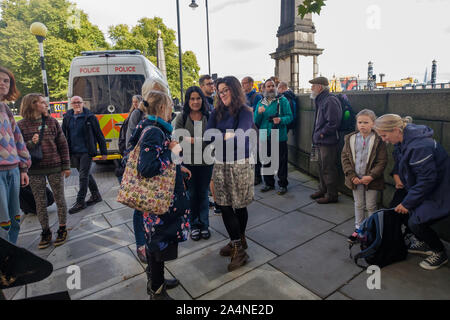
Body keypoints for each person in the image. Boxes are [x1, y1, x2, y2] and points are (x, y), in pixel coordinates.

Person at [128, 90, 191, 300]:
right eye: (171, 106)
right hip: (159, 203)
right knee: (158, 245)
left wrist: (177, 167)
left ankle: (158, 281)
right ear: (163, 108)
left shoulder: (148, 126)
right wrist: (172, 151)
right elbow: (147, 167)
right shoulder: (155, 131)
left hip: (156, 201)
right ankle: (157, 291)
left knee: (156, 243)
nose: (173, 109)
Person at [374, 114, 449, 270]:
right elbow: (404, 163)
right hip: (426, 188)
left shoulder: (419, 146)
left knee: (415, 222)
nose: (383, 140)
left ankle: (439, 252)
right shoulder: (403, 139)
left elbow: (427, 180)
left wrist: (407, 203)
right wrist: (398, 176)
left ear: (396, 130)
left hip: (441, 191)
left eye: (384, 135)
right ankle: (422, 240)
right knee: (400, 212)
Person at [206, 76, 255, 272]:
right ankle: (237, 244)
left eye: (226, 89)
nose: (222, 93)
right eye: (220, 90)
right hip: (220, 162)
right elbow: (210, 134)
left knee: (239, 205)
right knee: (224, 205)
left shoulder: (245, 111)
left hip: (239, 163)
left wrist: (226, 136)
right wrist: (227, 136)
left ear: (234, 90)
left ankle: (239, 242)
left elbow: (242, 134)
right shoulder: (216, 111)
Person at [18, 94, 71, 249]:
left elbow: (63, 145)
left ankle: (62, 228)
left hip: (54, 167)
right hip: (34, 170)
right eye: (42, 102)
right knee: (40, 203)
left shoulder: (52, 122)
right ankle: (45, 231)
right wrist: (30, 143)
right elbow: (18, 149)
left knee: (60, 198)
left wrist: (66, 166)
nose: (46, 104)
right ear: (32, 104)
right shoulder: (21, 125)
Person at [125, 80, 168, 263]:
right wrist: (170, 156)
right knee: (140, 210)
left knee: (149, 213)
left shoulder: (158, 120)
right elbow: (132, 143)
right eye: (155, 93)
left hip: (151, 175)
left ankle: (150, 250)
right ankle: (143, 246)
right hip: (146, 176)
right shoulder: (142, 117)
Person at [341, 109, 387, 243]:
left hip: (371, 180)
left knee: (371, 205)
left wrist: (371, 176)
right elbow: (345, 157)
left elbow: (382, 161)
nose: (362, 125)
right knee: (359, 204)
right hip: (355, 179)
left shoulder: (379, 139)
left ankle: (372, 229)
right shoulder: (350, 138)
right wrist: (351, 175)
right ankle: (359, 228)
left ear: (373, 123)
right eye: (360, 122)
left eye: (366, 122)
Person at [174, 86, 213, 241]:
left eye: (198, 98)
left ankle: (204, 225)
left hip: (206, 161)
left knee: (203, 194)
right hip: (188, 163)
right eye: (192, 98)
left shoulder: (208, 116)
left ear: (202, 100)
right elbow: (177, 135)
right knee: (191, 194)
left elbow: (213, 136)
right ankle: (193, 225)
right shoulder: (182, 117)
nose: (195, 102)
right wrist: (194, 140)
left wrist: (194, 139)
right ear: (187, 100)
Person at [0, 66, 31, 244]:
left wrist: (23, 168)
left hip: (13, 170)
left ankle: (11, 255)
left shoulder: (5, 109)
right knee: (2, 222)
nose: (3, 84)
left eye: (6, 81)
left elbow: (17, 139)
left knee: (14, 219)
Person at [62, 96, 107, 214]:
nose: (77, 104)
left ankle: (80, 201)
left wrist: (103, 152)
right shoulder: (67, 117)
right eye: (74, 103)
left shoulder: (90, 117)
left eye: (79, 102)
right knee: (86, 174)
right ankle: (96, 195)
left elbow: (99, 135)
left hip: (87, 151)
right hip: (74, 152)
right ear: (71, 104)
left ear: (83, 103)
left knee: (83, 176)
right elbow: (63, 135)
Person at [254, 79, 293, 195]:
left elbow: (290, 117)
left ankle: (282, 184)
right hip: (264, 134)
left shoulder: (282, 100)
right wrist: (259, 113)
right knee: (266, 160)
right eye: (268, 86)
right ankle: (269, 183)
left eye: (272, 86)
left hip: (278, 134)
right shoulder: (261, 102)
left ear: (275, 87)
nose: (270, 88)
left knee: (281, 161)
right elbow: (256, 121)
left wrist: (280, 119)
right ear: (264, 89)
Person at [309, 76, 342, 204]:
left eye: (313, 85)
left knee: (328, 168)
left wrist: (322, 134)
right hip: (319, 140)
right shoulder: (321, 99)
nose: (311, 88)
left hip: (327, 141)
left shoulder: (330, 100)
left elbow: (334, 123)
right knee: (320, 166)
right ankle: (323, 189)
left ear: (320, 87)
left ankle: (332, 195)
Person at [242, 76, 264, 185]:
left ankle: (257, 177)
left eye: (245, 83)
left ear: (251, 84)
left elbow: (257, 110)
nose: (243, 85)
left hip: (254, 127)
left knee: (256, 153)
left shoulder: (257, 96)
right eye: (242, 83)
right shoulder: (242, 96)